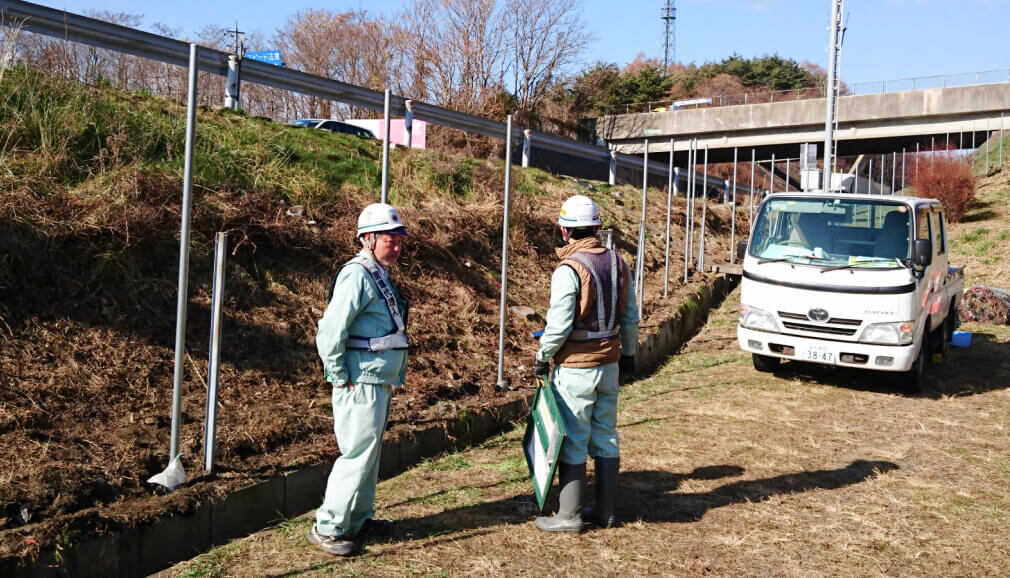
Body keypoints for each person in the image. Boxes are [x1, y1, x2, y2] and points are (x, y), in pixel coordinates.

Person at [533, 195, 640, 533]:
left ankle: (570, 516)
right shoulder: (619, 264)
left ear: (565, 230)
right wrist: (630, 356)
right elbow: (631, 317)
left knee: (575, 438)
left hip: (576, 368)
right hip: (610, 365)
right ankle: (606, 512)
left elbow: (560, 324)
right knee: (606, 435)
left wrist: (542, 356)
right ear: (596, 226)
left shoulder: (569, 269)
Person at [309, 202, 410, 556]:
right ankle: (329, 527)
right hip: (359, 380)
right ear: (368, 238)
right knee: (356, 455)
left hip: (375, 379)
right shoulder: (357, 275)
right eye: (389, 238)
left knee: (369, 454)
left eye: (399, 239)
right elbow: (330, 331)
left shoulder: (376, 272)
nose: (395, 246)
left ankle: (359, 518)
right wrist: (338, 375)